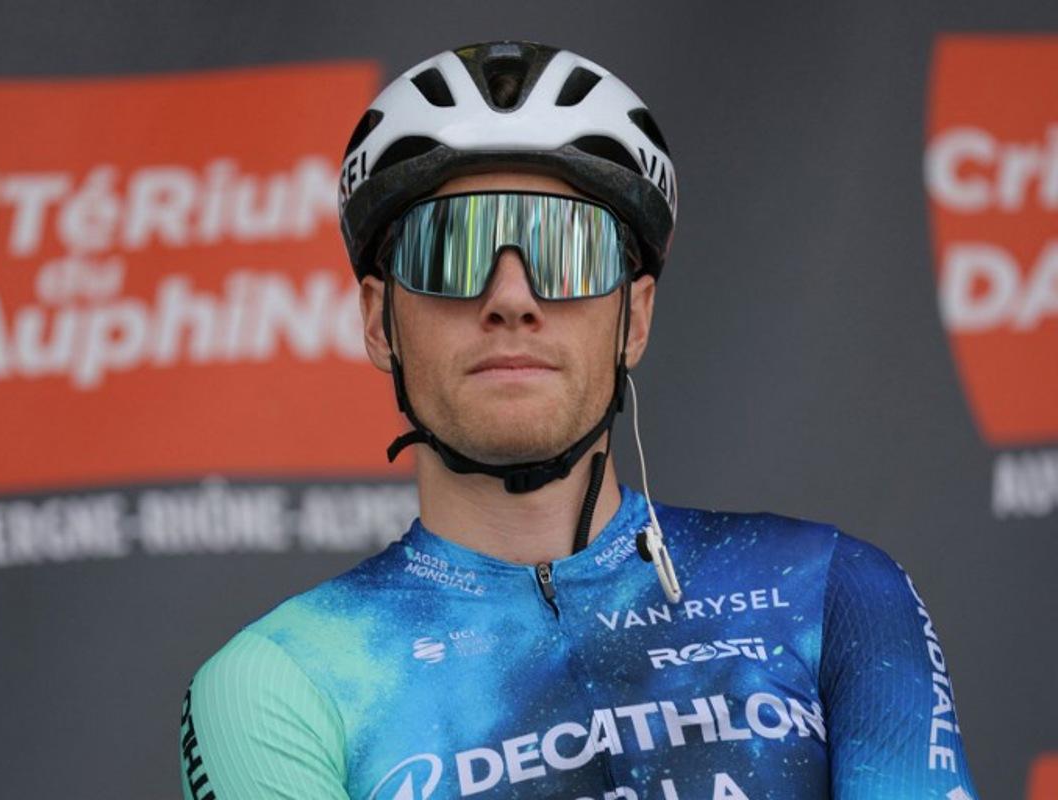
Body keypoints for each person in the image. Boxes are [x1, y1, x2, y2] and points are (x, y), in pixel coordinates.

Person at [179, 40, 980, 799]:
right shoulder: (280, 682)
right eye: (450, 250)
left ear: (634, 315)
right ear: (379, 320)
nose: (511, 299)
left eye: (566, 249)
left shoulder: (832, 588)